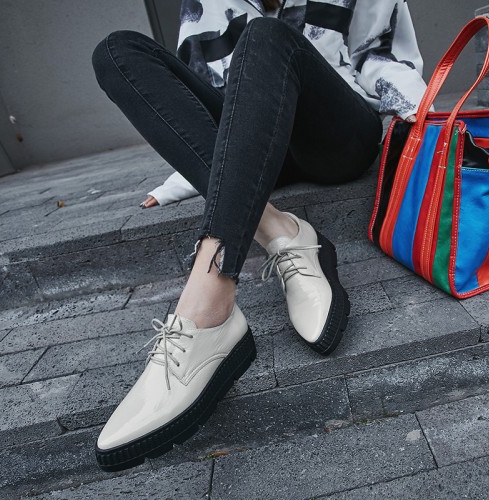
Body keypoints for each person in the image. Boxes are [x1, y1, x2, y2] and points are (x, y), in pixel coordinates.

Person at [90, 0, 427, 471]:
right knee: (116, 51)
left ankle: (207, 303)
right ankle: (280, 229)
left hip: (333, 130)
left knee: (266, 34)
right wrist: (187, 178)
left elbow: (380, 54)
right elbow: (197, 90)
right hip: (258, 133)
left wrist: (418, 114)